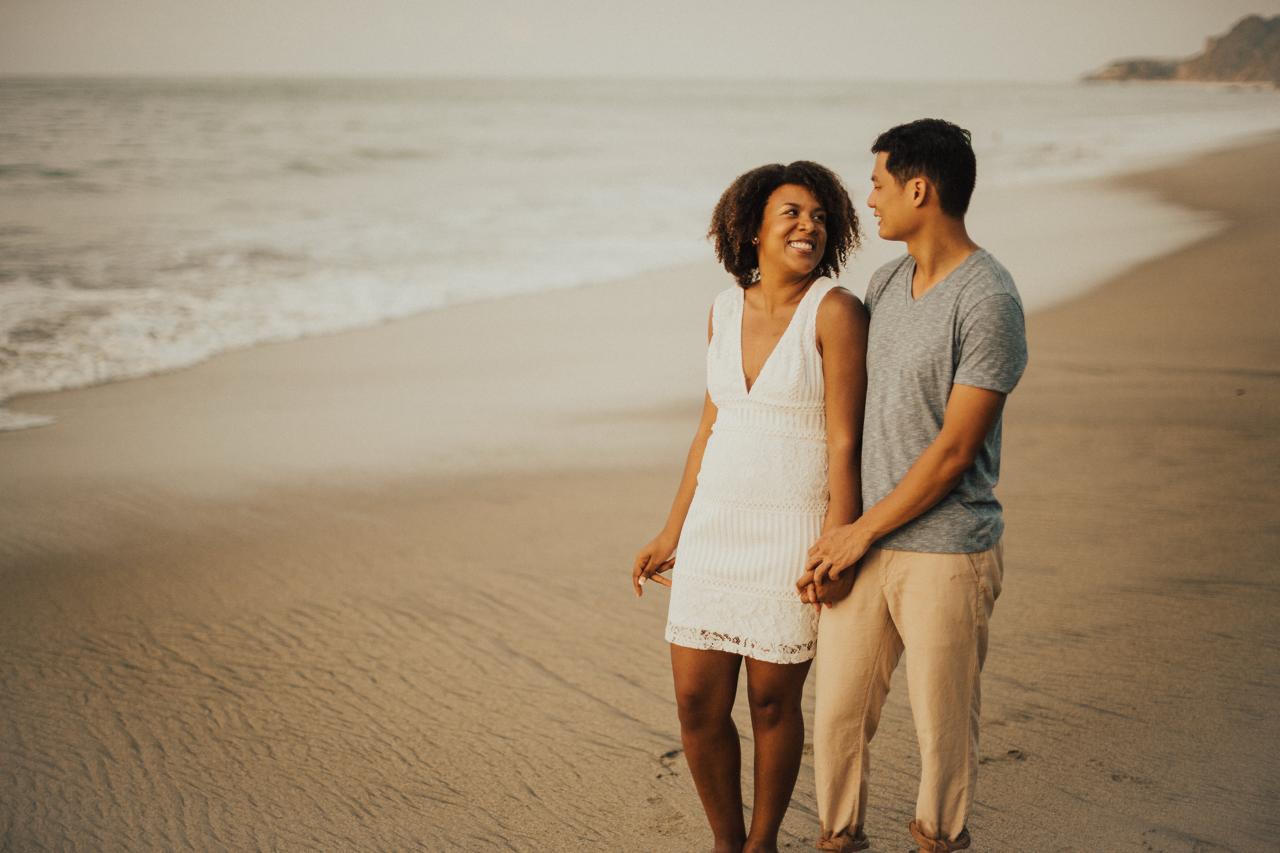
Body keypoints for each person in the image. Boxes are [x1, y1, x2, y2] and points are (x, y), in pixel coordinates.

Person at [797, 119, 1028, 853]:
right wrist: (839, 532)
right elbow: (853, 416)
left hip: (947, 549)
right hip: (865, 543)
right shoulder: (887, 282)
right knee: (837, 716)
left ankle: (939, 840)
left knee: (942, 729)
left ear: (919, 189)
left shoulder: (988, 297)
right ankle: (839, 840)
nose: (869, 199)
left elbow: (955, 449)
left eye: (878, 183)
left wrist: (858, 532)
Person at [632, 161, 867, 853]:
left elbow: (846, 440)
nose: (809, 226)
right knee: (696, 703)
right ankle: (726, 843)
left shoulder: (836, 310)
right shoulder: (723, 308)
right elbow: (710, 424)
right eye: (792, 213)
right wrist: (672, 529)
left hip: (792, 532)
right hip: (715, 528)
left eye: (820, 217)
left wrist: (838, 543)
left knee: (771, 702)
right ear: (753, 228)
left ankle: (762, 845)